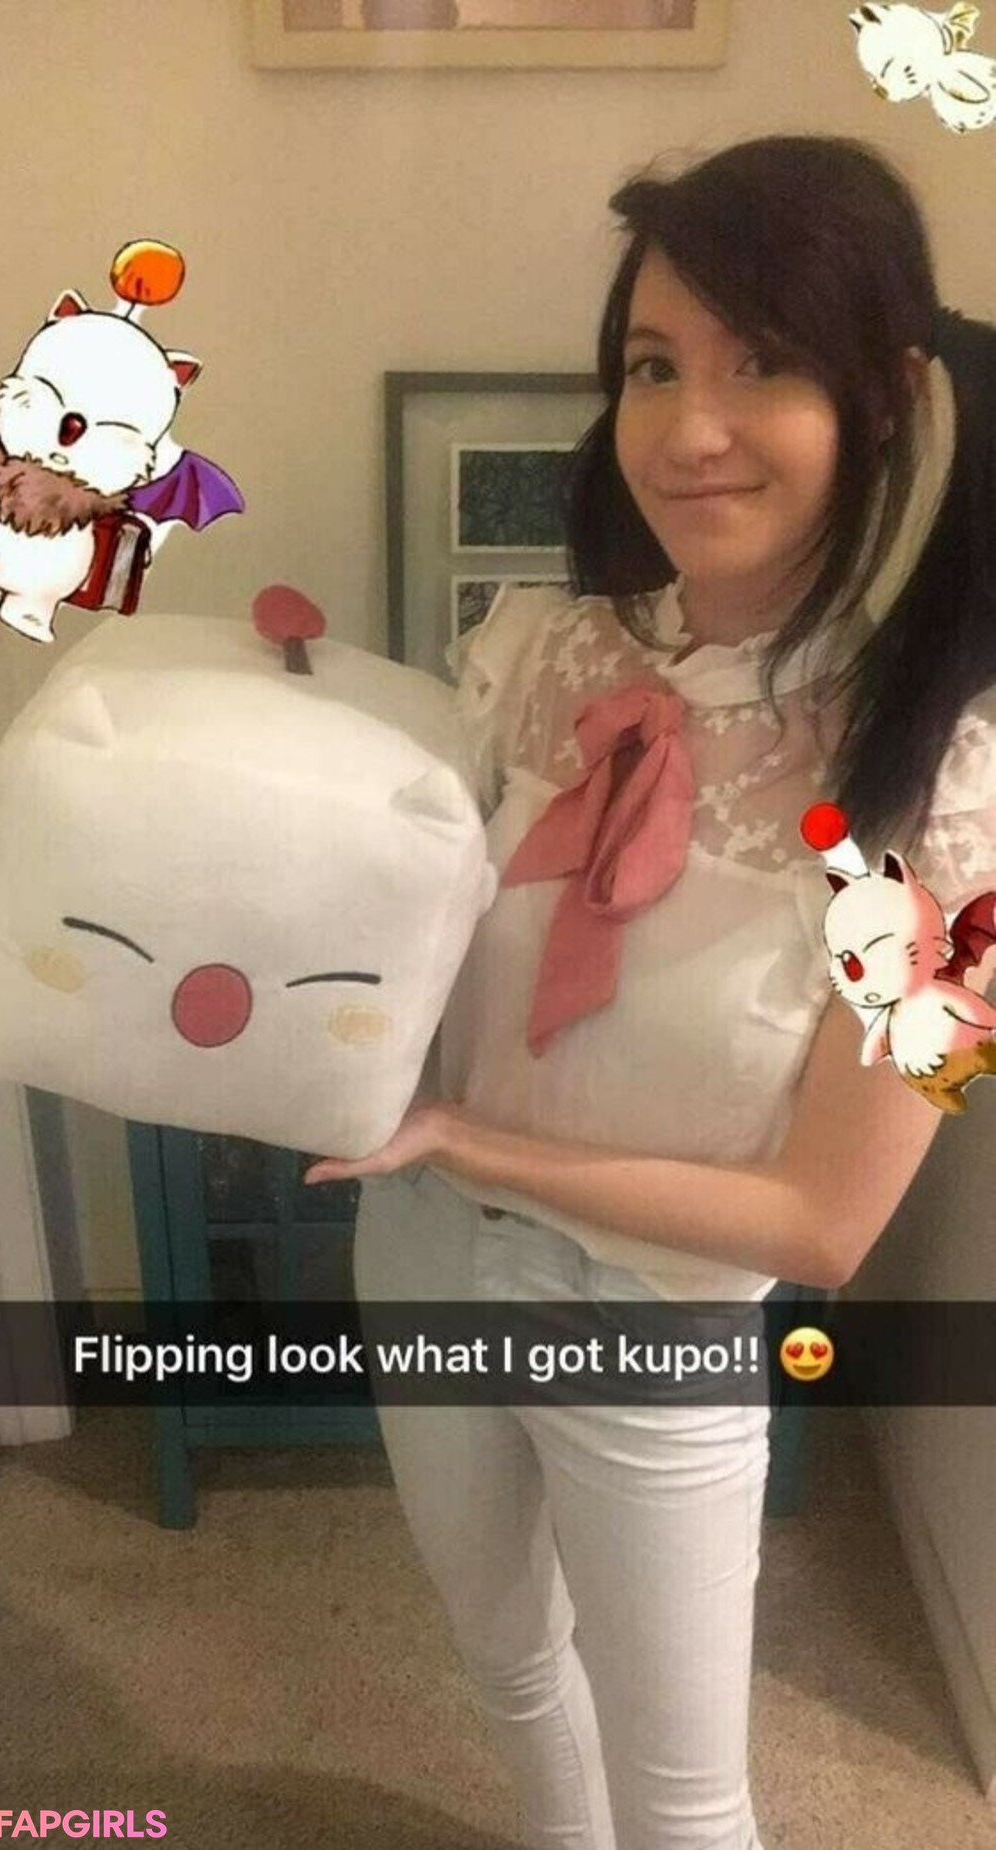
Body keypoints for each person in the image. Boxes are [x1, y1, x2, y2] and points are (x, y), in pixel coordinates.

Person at [304, 135, 996, 1850]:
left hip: (654, 1318)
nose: (691, 427)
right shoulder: (537, 653)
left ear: (883, 399)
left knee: (688, 1800)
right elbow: (399, 922)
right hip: (420, 1250)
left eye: (761, 363)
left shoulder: (957, 799)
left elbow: (829, 1220)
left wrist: (471, 1138)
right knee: (504, 1660)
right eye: (654, 365)